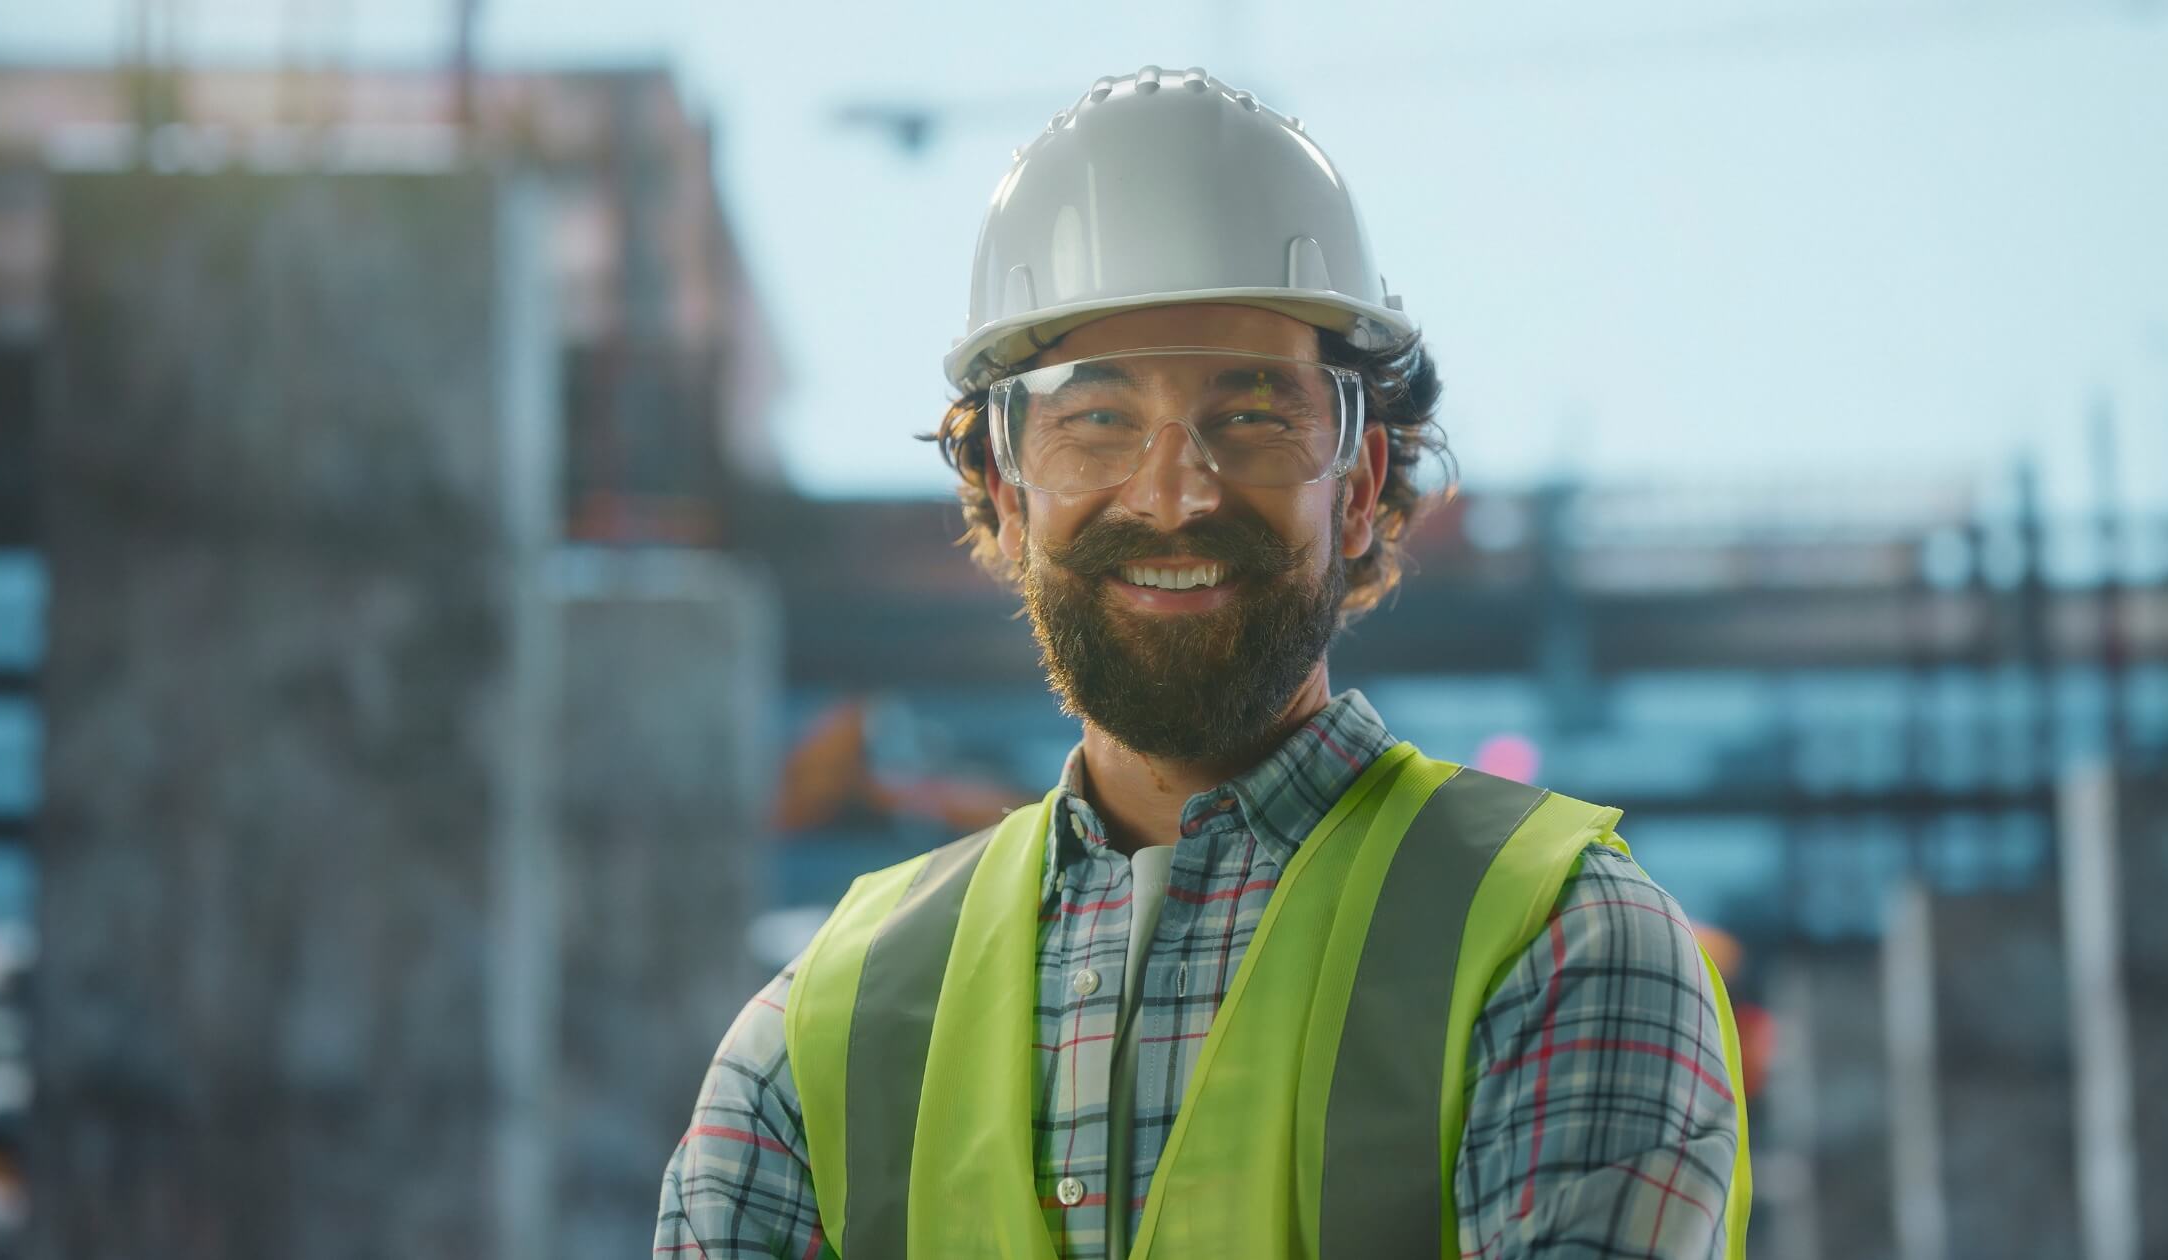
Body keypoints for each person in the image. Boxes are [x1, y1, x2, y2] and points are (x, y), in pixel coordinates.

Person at [656, 65, 1749, 1260]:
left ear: (1360, 485)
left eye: (1254, 417)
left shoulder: (1557, 941)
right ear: (1005, 493)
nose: (1173, 494)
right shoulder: (819, 1035)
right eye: (1096, 420)